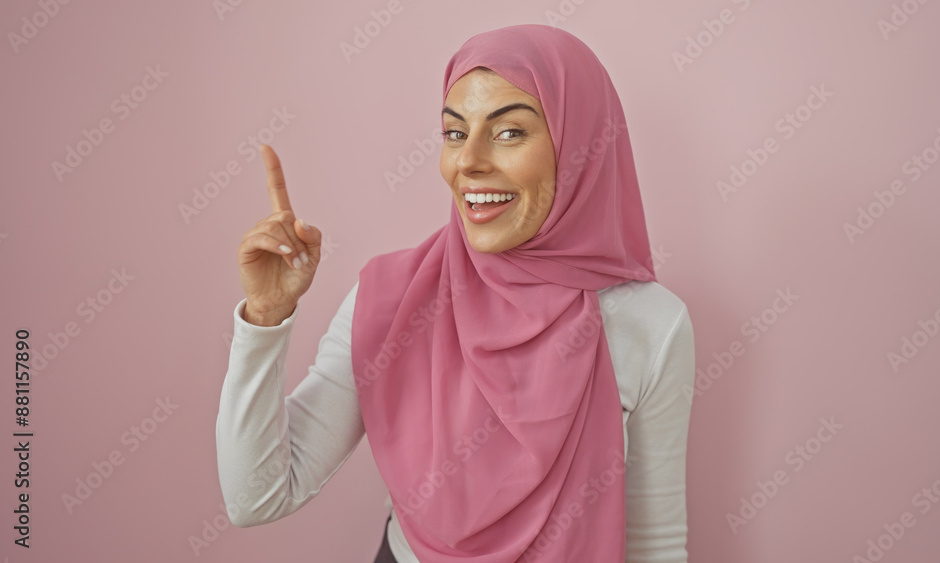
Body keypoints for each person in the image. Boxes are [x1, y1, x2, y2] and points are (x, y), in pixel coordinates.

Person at [216, 24, 695, 562]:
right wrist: (264, 319)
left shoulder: (650, 323)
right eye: (454, 133)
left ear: (579, 144)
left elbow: (655, 543)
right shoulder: (392, 299)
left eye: (509, 132)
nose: (468, 162)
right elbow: (255, 497)